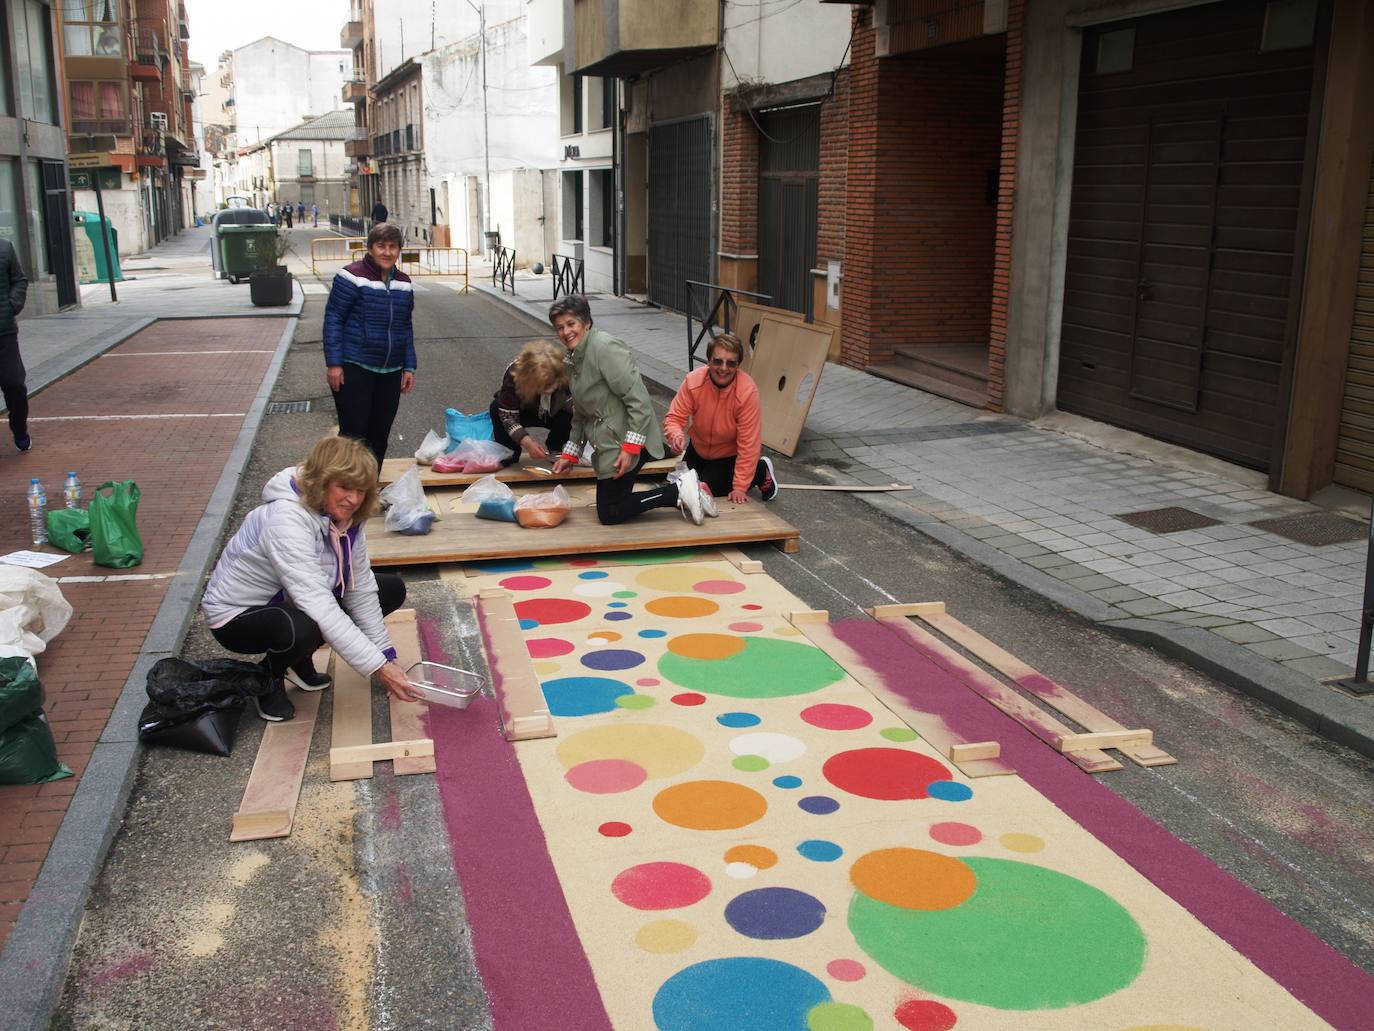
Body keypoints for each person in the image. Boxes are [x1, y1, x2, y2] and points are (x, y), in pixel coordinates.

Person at [200, 435, 421, 722]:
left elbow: (360, 587)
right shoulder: (286, 519)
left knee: (387, 589)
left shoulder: (345, 515)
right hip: (235, 616)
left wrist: (385, 655)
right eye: (344, 487)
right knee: (306, 626)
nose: (353, 499)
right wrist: (378, 667)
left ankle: (296, 660)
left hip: (290, 601)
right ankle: (268, 678)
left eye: (361, 490)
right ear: (321, 482)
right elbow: (318, 603)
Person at [548, 295, 714, 525]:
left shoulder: (604, 348)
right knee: (610, 507)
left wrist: (631, 448)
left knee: (610, 511)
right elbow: (581, 413)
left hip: (628, 439)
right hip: (610, 440)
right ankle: (680, 490)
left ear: (587, 323)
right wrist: (570, 453)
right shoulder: (576, 358)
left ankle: (677, 491)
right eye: (559, 327)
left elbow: (639, 400)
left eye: (571, 324)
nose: (565, 332)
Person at [323, 222, 416, 469]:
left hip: (390, 371)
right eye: (381, 246)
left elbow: (405, 327)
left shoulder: (404, 283)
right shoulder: (351, 277)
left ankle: (368, 494)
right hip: (355, 368)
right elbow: (334, 319)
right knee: (354, 438)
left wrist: (409, 366)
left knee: (379, 437)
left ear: (399, 250)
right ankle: (347, 496)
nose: (387, 252)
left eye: (392, 247)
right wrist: (334, 364)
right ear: (370, 248)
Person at [663, 332, 778, 504]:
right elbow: (674, 417)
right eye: (718, 361)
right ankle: (744, 472)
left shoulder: (747, 392)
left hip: (728, 454)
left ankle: (760, 471)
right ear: (708, 360)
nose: (723, 368)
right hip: (699, 448)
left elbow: (749, 443)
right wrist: (676, 435)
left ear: (738, 365)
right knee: (680, 488)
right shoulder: (693, 381)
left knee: (704, 492)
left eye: (731, 363)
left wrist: (739, 487)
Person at [490, 340, 573, 467]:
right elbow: (508, 417)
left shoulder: (568, 371)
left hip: (555, 411)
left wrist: (573, 450)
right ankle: (510, 452)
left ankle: (556, 448)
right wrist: (528, 443)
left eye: (550, 383)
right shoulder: (514, 375)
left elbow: (581, 413)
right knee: (496, 407)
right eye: (541, 385)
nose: (547, 389)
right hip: (525, 409)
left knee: (570, 416)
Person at [0, 238, 29, 452]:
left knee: (14, 383)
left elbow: (19, 280)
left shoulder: (5, 247)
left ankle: (19, 429)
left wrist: (12, 305)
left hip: (4, 332)